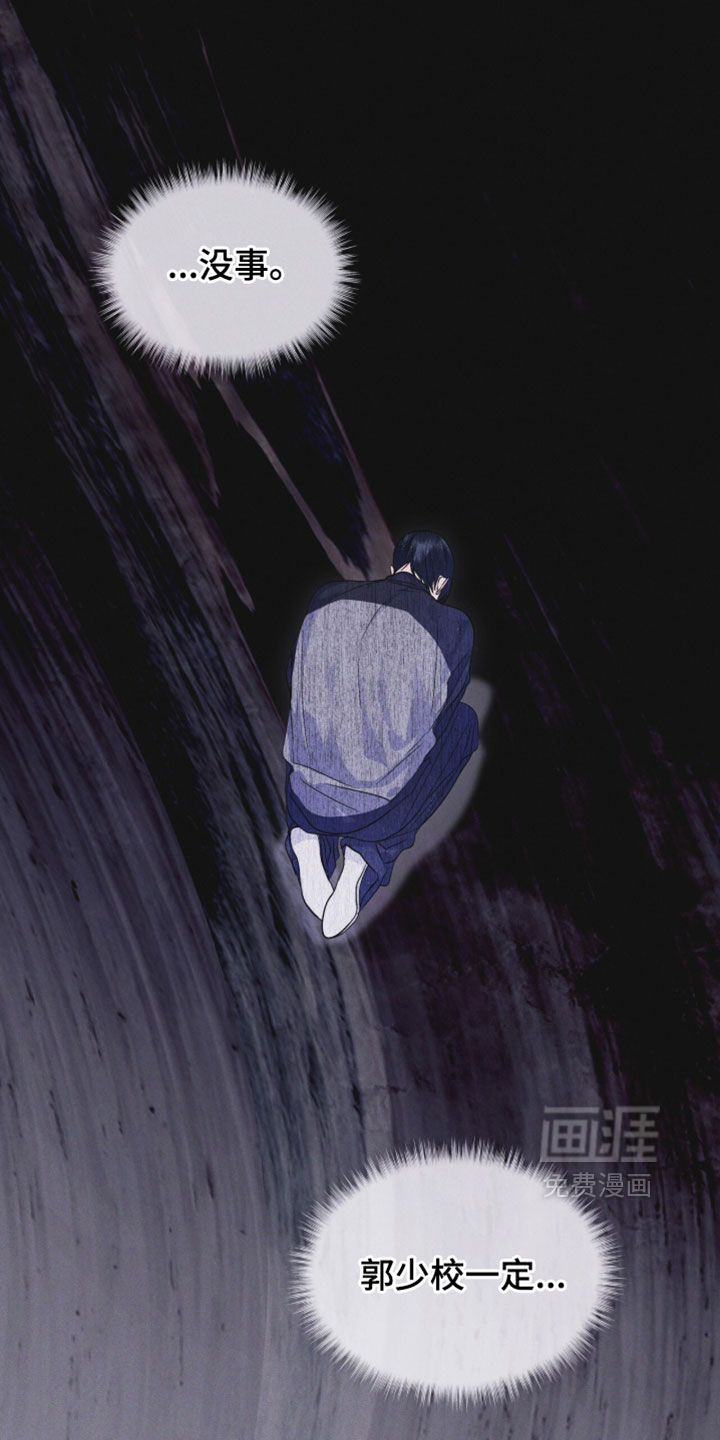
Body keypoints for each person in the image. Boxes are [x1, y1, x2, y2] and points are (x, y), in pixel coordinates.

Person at [283, 531, 479, 937]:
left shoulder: (327, 596)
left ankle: (306, 834)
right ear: (440, 583)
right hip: (376, 813)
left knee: (317, 711)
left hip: (306, 793)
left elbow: (294, 681)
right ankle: (366, 855)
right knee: (462, 725)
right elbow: (440, 721)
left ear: (394, 567)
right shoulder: (455, 627)